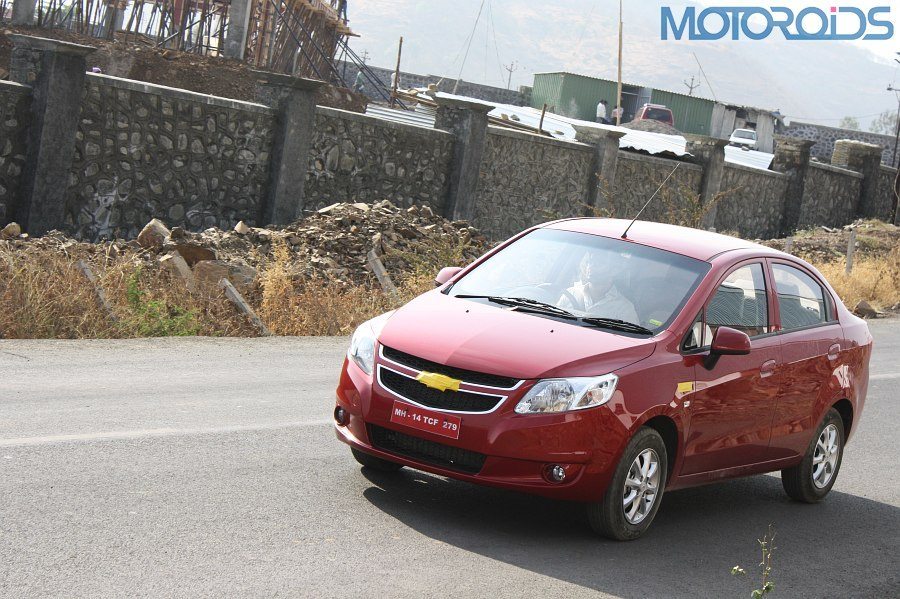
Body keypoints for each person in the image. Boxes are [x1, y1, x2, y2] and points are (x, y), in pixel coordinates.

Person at [557, 251, 638, 323]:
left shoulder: (624, 308)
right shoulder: (570, 294)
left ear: (614, 271)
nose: (591, 266)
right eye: (590, 262)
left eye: (599, 262)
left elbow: (631, 338)